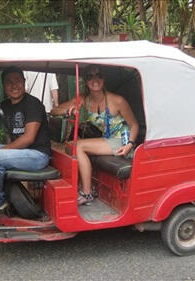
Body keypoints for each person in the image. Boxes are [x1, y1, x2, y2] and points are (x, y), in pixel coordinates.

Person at [51, 65, 139, 205]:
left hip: (122, 141)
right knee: (70, 147)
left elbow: (134, 125)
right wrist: (69, 111)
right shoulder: (85, 99)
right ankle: (84, 186)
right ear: (85, 81)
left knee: (79, 146)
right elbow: (55, 110)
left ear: (104, 79)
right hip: (107, 139)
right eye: (90, 76)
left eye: (99, 75)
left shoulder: (117, 100)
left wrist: (130, 145)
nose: (95, 80)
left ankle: (87, 194)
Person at [0, 66, 51, 218]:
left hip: (37, 155)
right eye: (9, 82)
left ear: (24, 82)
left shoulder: (33, 104)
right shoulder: (3, 107)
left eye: (17, 81)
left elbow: (28, 138)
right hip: (20, 152)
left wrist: (4, 150)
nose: (14, 86)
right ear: (4, 86)